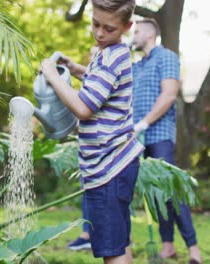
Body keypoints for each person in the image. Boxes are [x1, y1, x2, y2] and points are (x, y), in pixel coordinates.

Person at [40, 0, 145, 263]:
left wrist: (52, 75)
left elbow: (84, 108)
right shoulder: (110, 52)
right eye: (95, 24)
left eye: (108, 28)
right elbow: (100, 84)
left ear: (127, 26)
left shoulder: (110, 56)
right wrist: (75, 69)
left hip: (108, 167)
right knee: (119, 242)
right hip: (119, 163)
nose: (99, 33)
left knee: (111, 250)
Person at [131, 18, 203, 264]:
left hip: (159, 134)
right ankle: (167, 245)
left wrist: (144, 122)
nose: (133, 36)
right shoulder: (137, 66)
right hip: (138, 139)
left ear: (150, 34)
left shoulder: (166, 57)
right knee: (155, 194)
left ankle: (193, 248)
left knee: (171, 190)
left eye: (137, 31)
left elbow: (169, 94)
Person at [66, 45, 99, 251]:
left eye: (98, 56)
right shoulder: (91, 84)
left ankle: (125, 235)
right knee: (87, 190)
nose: (94, 60)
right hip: (88, 147)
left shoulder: (108, 79)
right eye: (92, 56)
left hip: (107, 149)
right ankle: (87, 234)